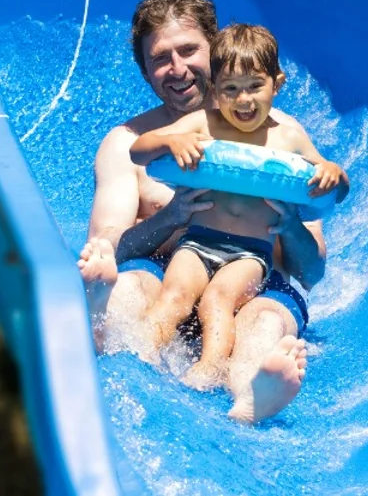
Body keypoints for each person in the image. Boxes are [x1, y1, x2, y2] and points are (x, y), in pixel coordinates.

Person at [77, 0, 330, 423]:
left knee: (266, 321)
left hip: (251, 284)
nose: (176, 69)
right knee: (126, 288)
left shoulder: (276, 140)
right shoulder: (127, 146)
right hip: (168, 274)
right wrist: (172, 217)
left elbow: (312, 271)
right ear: (145, 71)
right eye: (159, 58)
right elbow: (109, 247)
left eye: (189, 51)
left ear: (216, 51)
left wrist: (288, 224)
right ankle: (108, 333)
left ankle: (254, 393)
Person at [128, 23, 349, 391]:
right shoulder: (202, 123)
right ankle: (141, 350)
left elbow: (336, 190)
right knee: (175, 293)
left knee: (218, 299)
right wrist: (172, 141)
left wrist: (332, 171)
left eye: (254, 87)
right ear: (213, 89)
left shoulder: (288, 136)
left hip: (250, 254)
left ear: (276, 84)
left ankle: (210, 368)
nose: (243, 100)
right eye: (230, 89)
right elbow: (139, 150)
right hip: (198, 241)